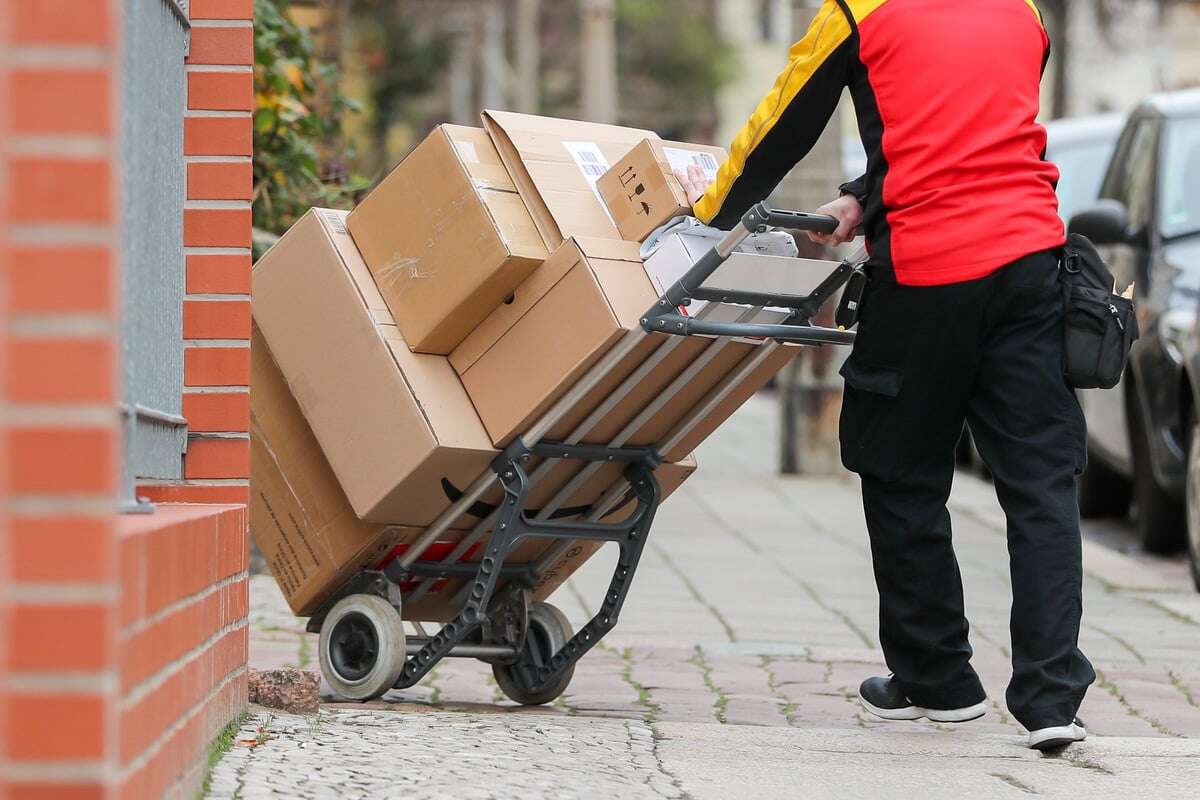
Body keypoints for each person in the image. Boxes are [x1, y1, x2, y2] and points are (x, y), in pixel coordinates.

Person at [677, 0, 1095, 750]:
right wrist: (867, 195)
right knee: (1041, 481)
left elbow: (782, 124)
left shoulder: (859, 9)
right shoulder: (1022, 9)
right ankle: (1052, 696)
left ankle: (937, 679)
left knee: (899, 468)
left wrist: (703, 216)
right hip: (1033, 268)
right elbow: (969, 126)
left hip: (929, 272)